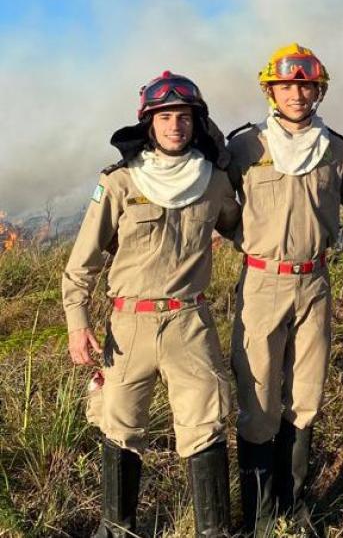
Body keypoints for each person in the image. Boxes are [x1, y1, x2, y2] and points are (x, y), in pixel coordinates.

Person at [63, 71, 238, 537]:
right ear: (149, 123)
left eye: (183, 116)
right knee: (119, 425)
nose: (174, 125)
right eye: (165, 117)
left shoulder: (214, 180)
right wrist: (77, 323)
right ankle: (116, 529)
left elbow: (243, 231)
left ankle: (213, 531)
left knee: (205, 424)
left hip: (190, 321)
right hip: (130, 324)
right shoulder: (121, 182)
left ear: (196, 122)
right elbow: (83, 262)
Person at [226, 43, 343, 535]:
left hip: (315, 282)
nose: (297, 94)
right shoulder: (245, 147)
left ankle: (294, 505)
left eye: (306, 85)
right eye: (287, 85)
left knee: (306, 397)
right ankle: (260, 517)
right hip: (263, 282)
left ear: (317, 89)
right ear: (271, 89)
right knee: (259, 401)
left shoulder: (335, 149)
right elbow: (213, 204)